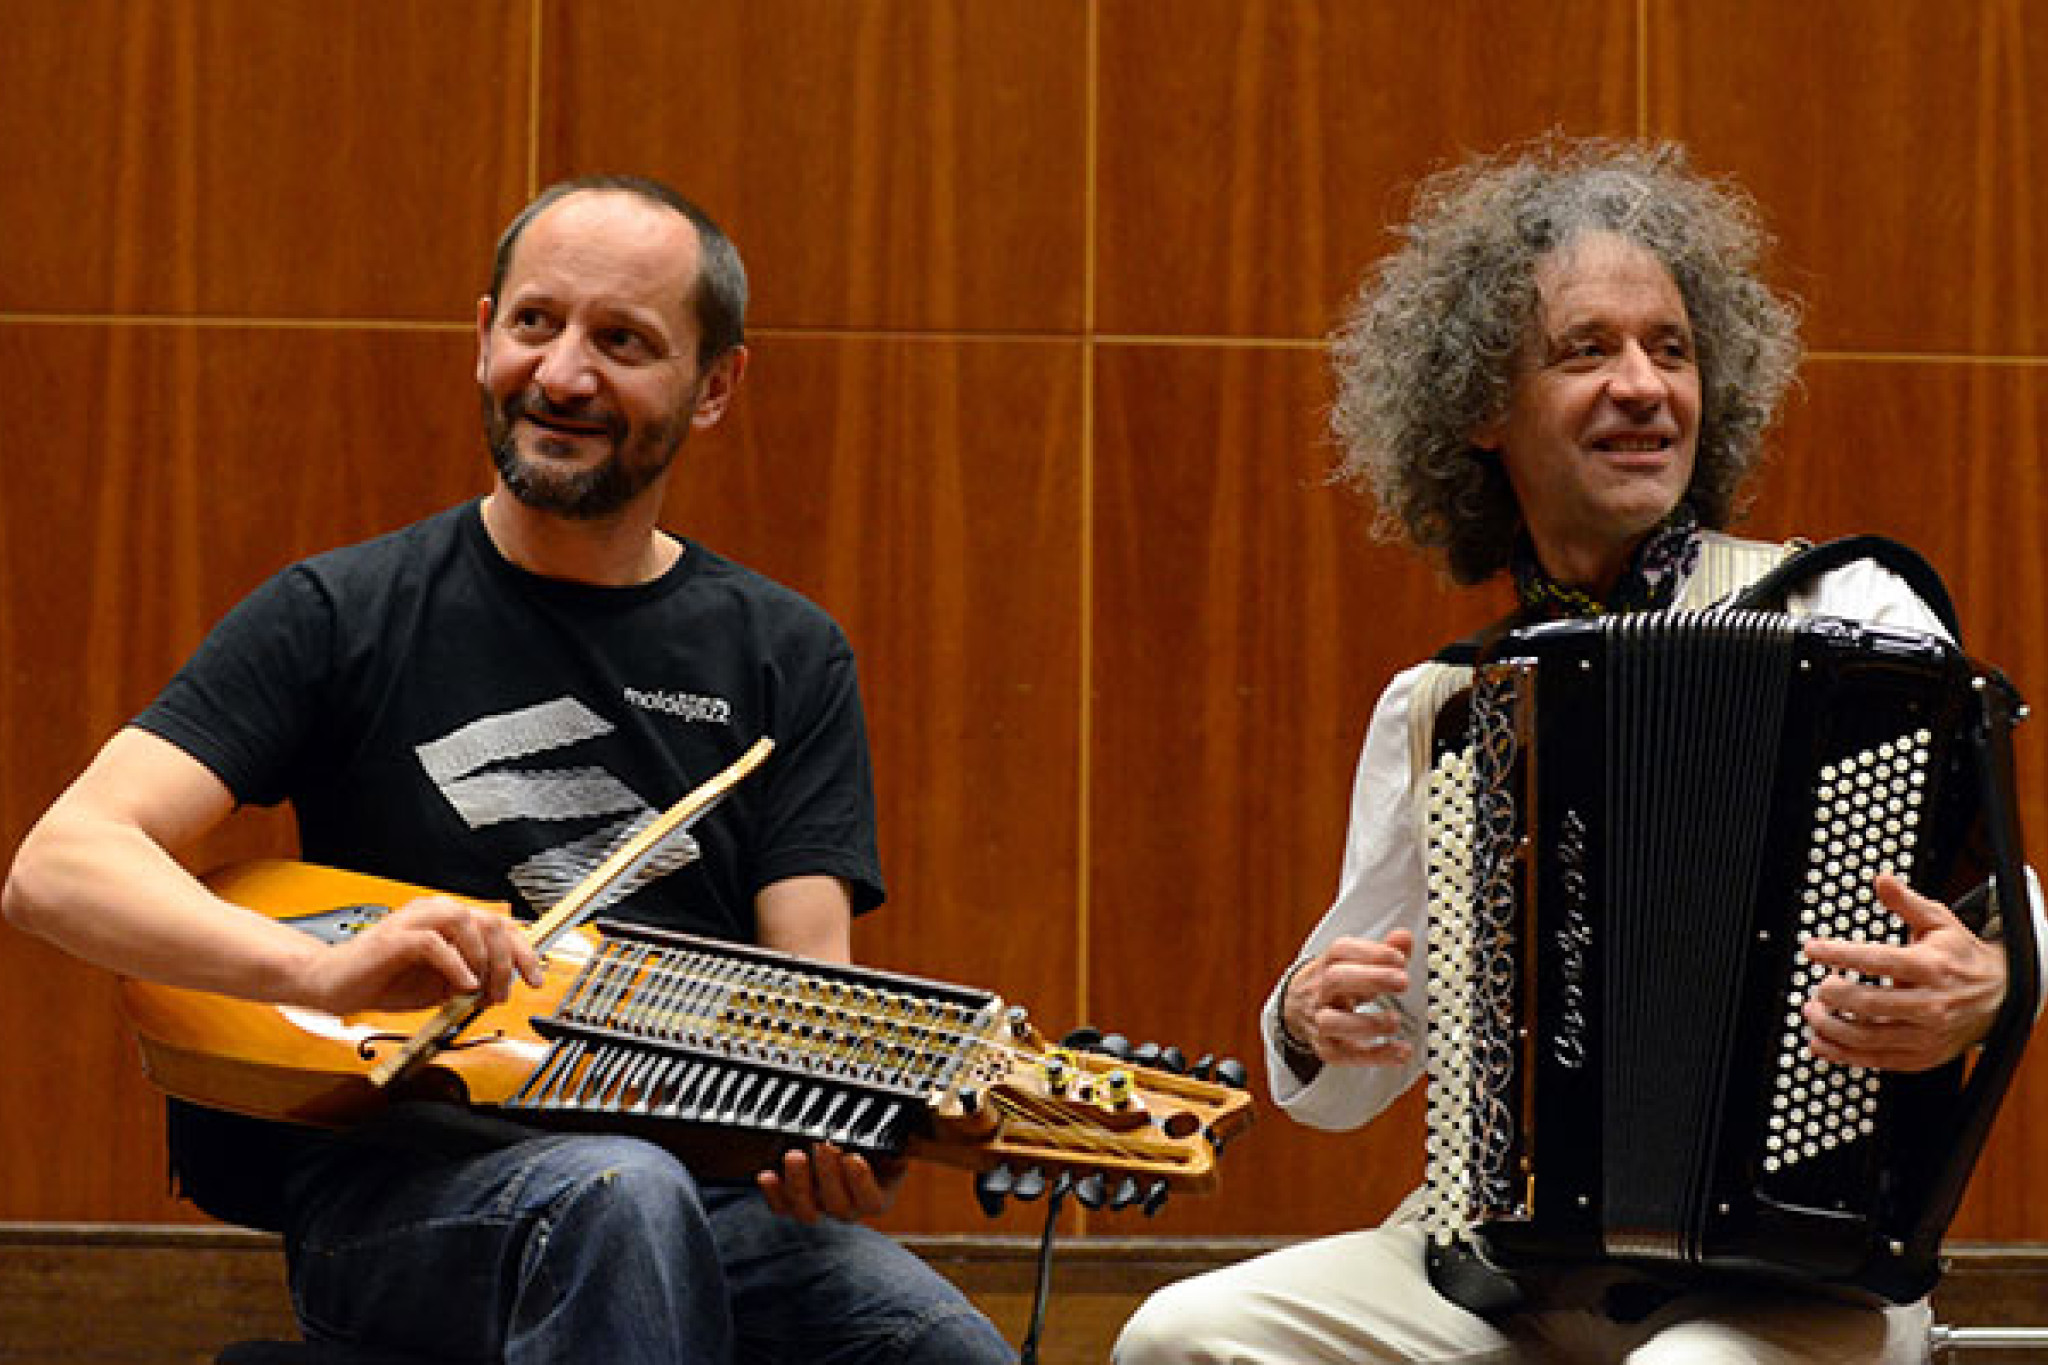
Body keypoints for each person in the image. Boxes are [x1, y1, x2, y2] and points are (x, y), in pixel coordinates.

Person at [3, 174, 1015, 1364]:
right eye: (536, 323)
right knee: (620, 1198)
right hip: (403, 1197)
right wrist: (316, 973)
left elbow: (810, 1003)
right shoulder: (340, 613)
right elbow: (60, 868)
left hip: (709, 1197)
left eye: (623, 342)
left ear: (714, 386)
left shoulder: (786, 655)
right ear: (484, 335)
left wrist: (838, 1129)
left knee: (937, 1344)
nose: (563, 376)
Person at [1113, 137, 2036, 1364]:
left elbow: (2005, 903)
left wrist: (1987, 978)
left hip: (1798, 1271)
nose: (1641, 386)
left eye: (1670, 349)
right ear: (1480, 411)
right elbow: (1355, 1069)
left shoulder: (1848, 613)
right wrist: (1308, 1014)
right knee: (1182, 1335)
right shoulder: (1449, 704)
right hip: (1508, 1262)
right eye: (1584, 351)